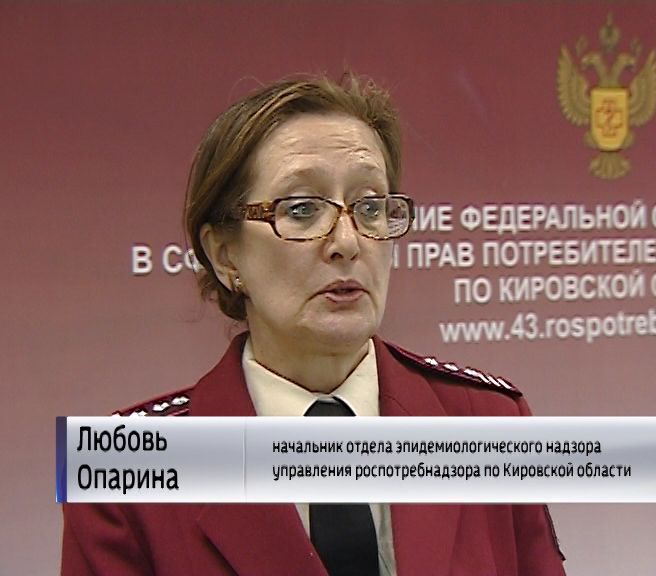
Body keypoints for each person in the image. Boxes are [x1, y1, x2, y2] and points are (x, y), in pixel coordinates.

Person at [61, 74, 565, 575]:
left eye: (370, 207)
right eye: (302, 210)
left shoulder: (487, 421)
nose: (347, 241)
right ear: (225, 255)